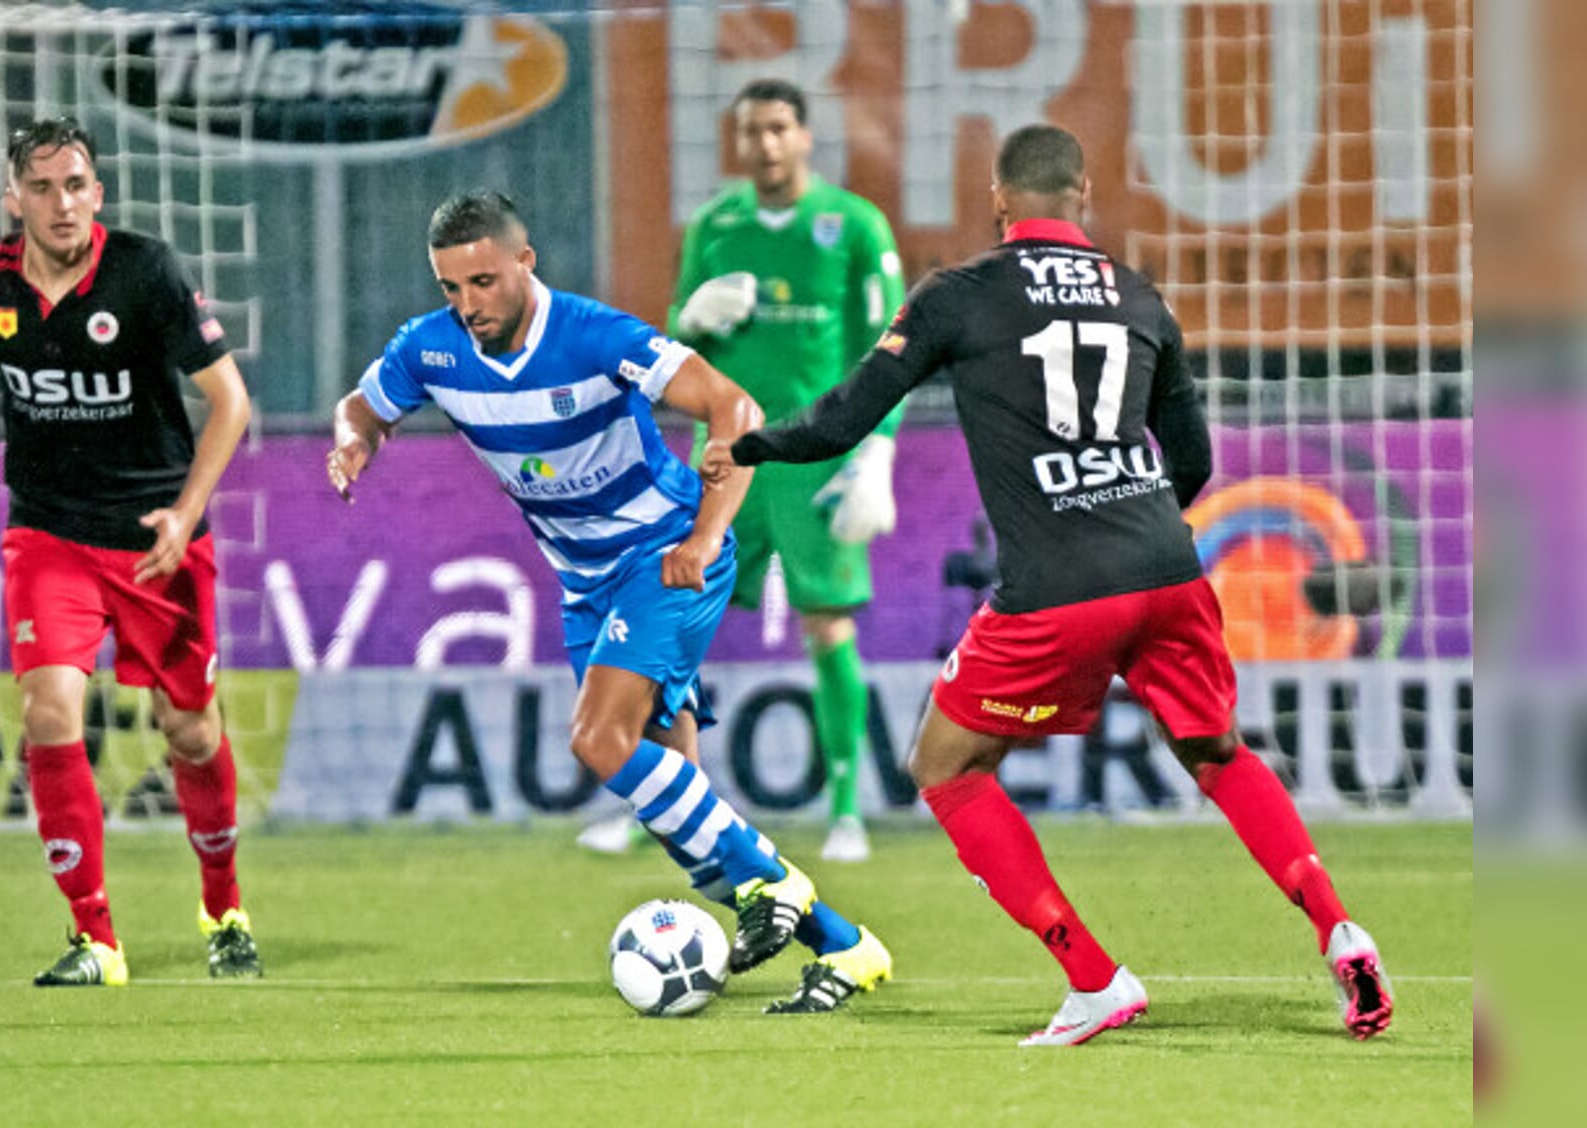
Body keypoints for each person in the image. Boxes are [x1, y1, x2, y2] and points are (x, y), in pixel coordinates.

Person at [708, 125, 1394, 1045]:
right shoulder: (1139, 295)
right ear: (1086, 192)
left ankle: (1095, 977)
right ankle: (1337, 925)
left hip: (1056, 589)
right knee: (1217, 752)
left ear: (1000, 201)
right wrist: (1132, 519)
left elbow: (845, 417)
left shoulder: (957, 295)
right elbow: (1192, 459)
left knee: (944, 769)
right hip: (1166, 568)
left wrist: (749, 444)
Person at [327, 189, 891, 1013]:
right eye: (450, 288)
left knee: (599, 739)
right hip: (584, 583)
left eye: (482, 282)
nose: (466, 305)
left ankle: (779, 885)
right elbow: (363, 405)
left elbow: (735, 407)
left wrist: (702, 540)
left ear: (525, 261)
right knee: (678, 810)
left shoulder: (595, 335)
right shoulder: (432, 349)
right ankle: (848, 946)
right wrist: (355, 440)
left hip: (662, 558)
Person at [0, 118, 260, 987]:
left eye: (76, 184)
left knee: (191, 729)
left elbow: (228, 402)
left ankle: (224, 907)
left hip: (157, 539)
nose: (62, 203)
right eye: (42, 187)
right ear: (13, 198)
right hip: (48, 535)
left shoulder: (146, 270)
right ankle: (96, 939)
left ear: (98, 193)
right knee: (49, 714)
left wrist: (184, 512)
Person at [609, 77, 904, 864]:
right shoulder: (715, 225)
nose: (767, 144)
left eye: (780, 128)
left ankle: (847, 810)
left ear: (805, 136)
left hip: (817, 458)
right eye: (753, 132)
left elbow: (890, 350)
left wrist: (879, 452)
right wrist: (690, 321)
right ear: (738, 143)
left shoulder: (854, 227)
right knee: (672, 617)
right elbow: (676, 335)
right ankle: (649, 792)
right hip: (728, 453)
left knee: (827, 622)